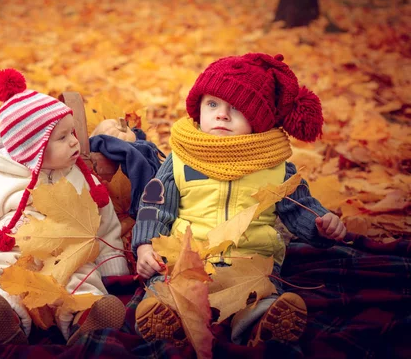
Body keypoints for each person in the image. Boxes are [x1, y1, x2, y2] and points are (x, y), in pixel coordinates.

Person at [131, 53, 347, 348]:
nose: (221, 115)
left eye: (236, 108)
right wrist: (145, 246)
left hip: (251, 263)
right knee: (167, 287)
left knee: (259, 295)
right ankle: (170, 320)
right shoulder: (180, 159)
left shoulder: (275, 166)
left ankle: (261, 322)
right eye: (212, 104)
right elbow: (154, 206)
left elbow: (300, 207)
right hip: (188, 259)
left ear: (259, 120)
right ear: (199, 110)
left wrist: (321, 224)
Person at [0, 68, 130, 345]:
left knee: (83, 277)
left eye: (72, 132)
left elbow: (104, 222)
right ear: (32, 149)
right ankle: (5, 315)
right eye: (62, 138)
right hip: (6, 254)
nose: (74, 141)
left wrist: (112, 265)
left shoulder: (82, 178)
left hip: (64, 257)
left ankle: (86, 317)